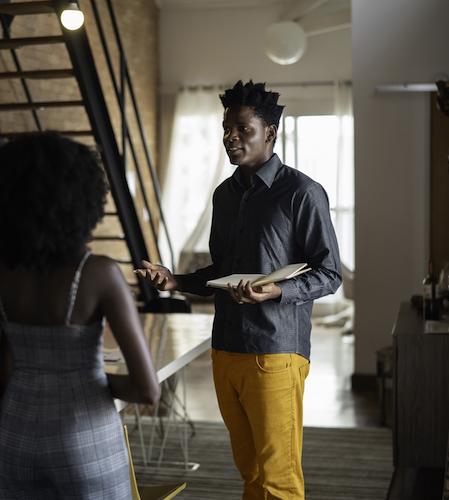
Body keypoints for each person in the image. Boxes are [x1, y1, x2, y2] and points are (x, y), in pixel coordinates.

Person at [136, 80, 342, 499]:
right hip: (225, 348)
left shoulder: (302, 193)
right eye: (226, 128)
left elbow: (330, 273)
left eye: (242, 129)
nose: (230, 137)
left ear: (269, 133)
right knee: (251, 472)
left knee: (278, 478)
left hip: (275, 351)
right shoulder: (224, 195)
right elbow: (221, 271)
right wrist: (176, 280)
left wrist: (275, 293)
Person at [0, 131, 161, 500]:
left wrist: (14, 433)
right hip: (86, 438)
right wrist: (87, 382)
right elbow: (147, 390)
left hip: (18, 436)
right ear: (79, 200)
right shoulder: (98, 272)